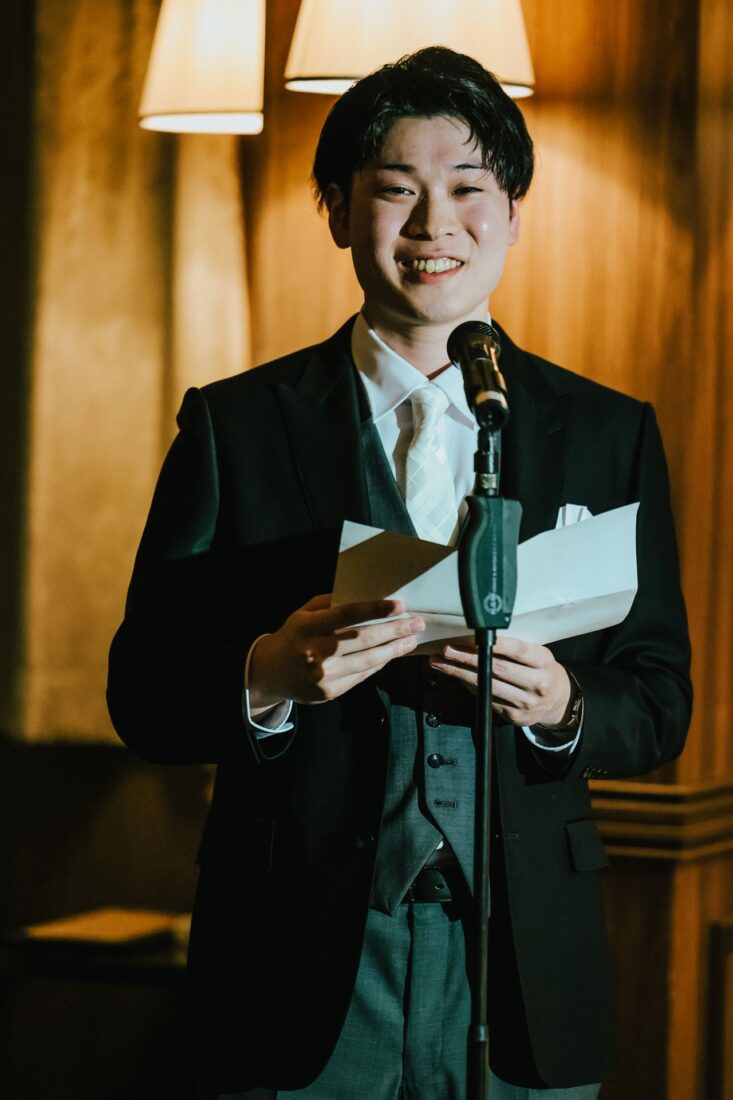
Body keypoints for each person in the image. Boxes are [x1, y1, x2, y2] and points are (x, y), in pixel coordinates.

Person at [107, 47, 692, 1100]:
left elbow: (657, 699)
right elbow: (142, 691)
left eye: (468, 189)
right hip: (294, 952)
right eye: (395, 190)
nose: (435, 225)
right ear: (338, 210)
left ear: (512, 215)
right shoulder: (237, 426)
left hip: (522, 953)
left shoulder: (608, 432)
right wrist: (267, 673)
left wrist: (561, 705)